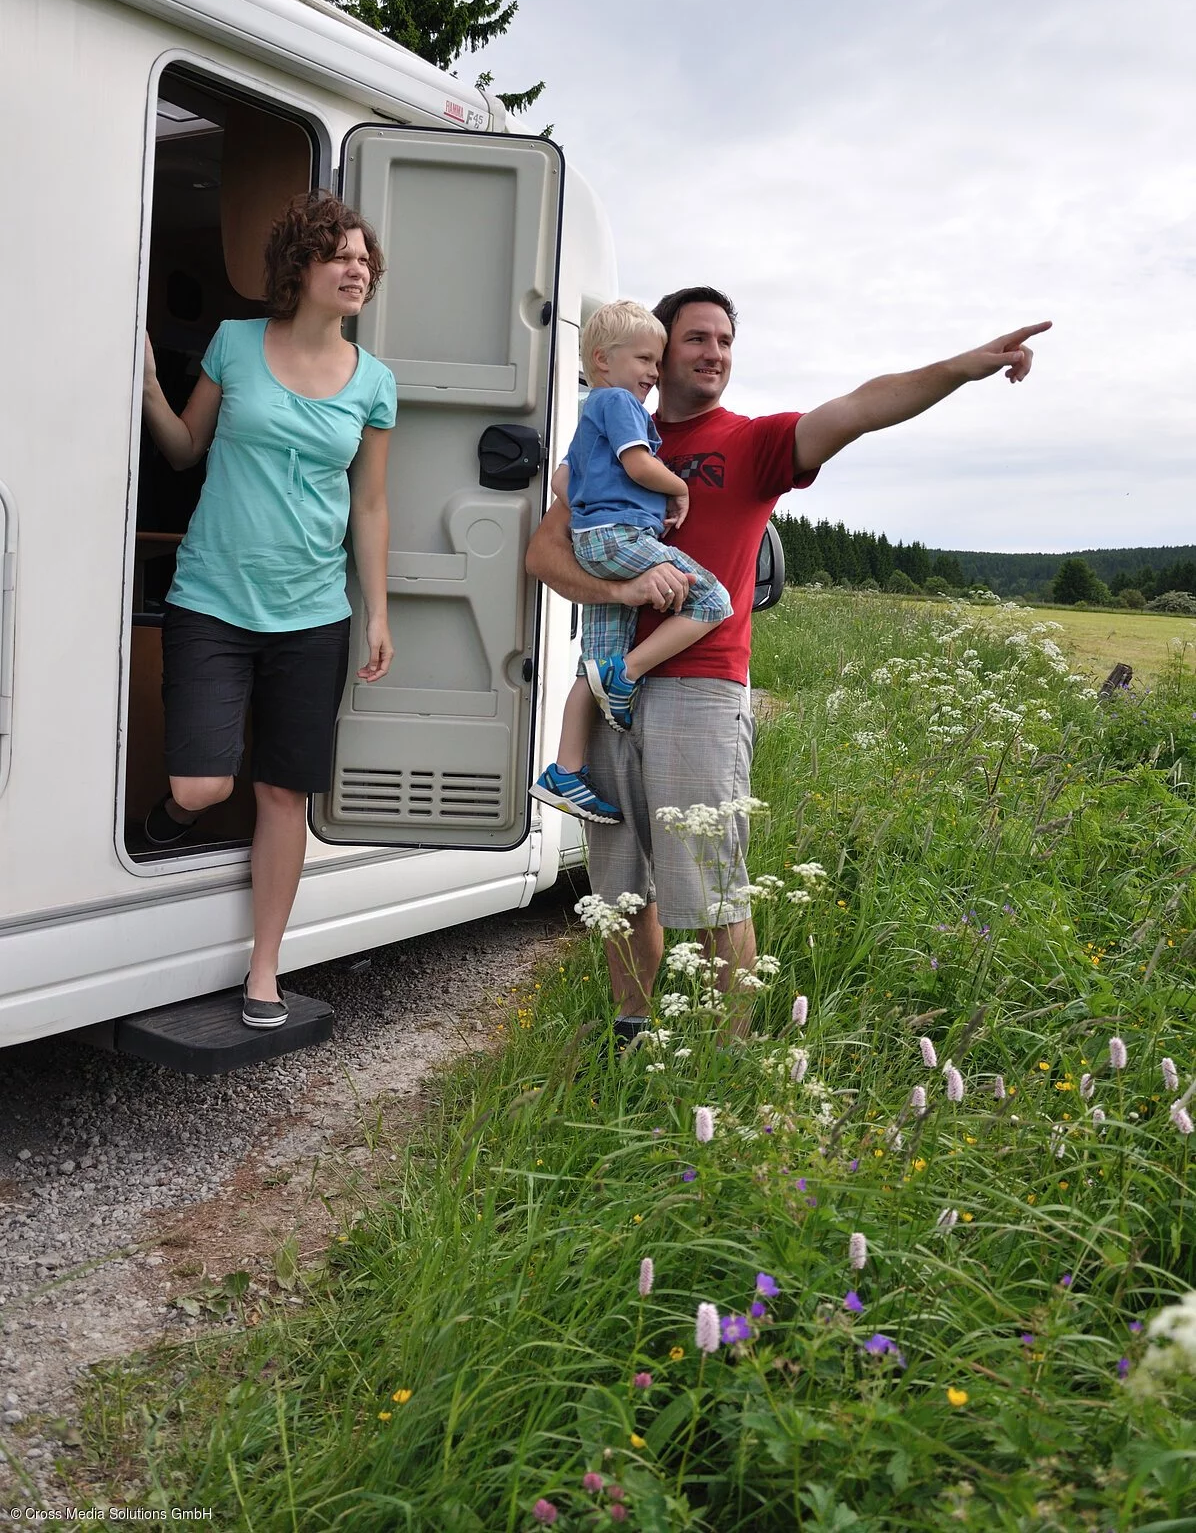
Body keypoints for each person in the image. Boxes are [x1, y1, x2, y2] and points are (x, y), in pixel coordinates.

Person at [526, 285, 1048, 1043]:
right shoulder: (614, 437)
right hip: (605, 683)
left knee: (710, 896)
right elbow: (544, 553)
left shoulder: (751, 441)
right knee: (620, 894)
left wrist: (964, 366)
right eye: (697, 338)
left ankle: (725, 1057)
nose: (714, 353)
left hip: (698, 692)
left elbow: (862, 406)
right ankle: (632, 1039)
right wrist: (625, 586)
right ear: (659, 350)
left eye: (726, 341)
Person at [140, 190, 397, 1029]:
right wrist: (146, 385)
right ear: (301, 267)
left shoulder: (375, 383)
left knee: (285, 793)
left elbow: (370, 507)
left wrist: (379, 612)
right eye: (341, 255)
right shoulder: (235, 344)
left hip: (313, 612)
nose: (357, 267)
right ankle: (173, 816)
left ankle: (264, 970)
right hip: (212, 597)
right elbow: (185, 444)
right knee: (206, 783)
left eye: (364, 257)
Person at [530, 300, 732, 825]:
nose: (653, 372)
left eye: (657, 360)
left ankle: (564, 771)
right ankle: (628, 675)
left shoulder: (590, 413)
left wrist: (589, 511)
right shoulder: (619, 402)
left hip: (593, 540)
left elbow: (562, 481)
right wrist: (679, 487)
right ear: (602, 360)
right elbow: (637, 462)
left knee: (589, 663)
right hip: (619, 537)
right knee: (713, 597)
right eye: (644, 359)